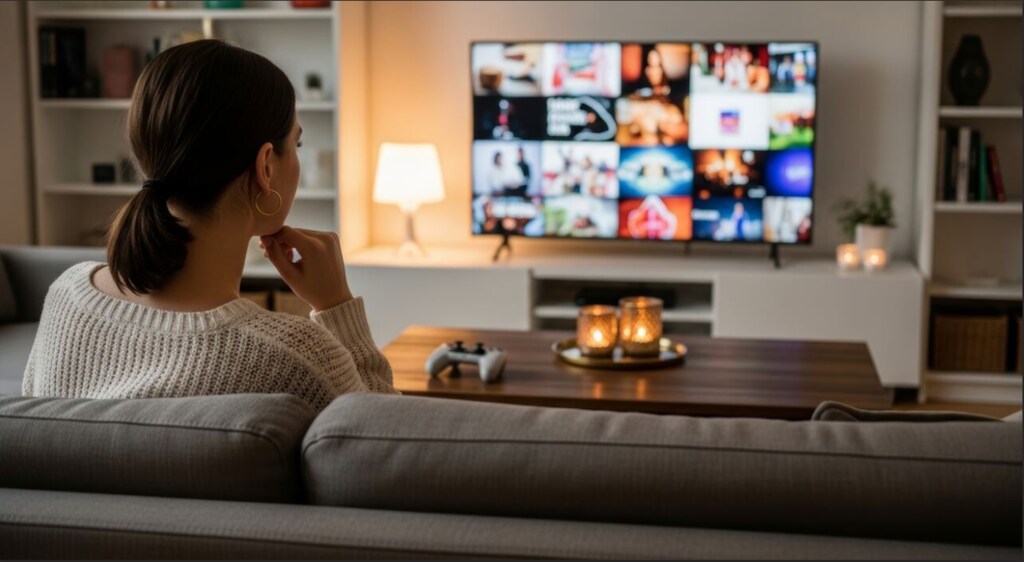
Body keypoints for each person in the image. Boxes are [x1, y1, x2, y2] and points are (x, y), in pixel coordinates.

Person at [21, 40, 396, 412]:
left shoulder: (65, 297)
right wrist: (337, 306)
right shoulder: (294, 357)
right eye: (296, 145)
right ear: (266, 165)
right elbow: (383, 446)